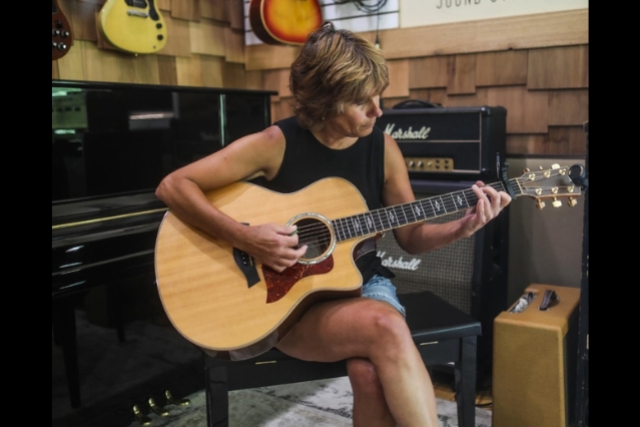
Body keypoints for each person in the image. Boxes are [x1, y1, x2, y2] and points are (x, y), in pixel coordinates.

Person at [155, 21, 511, 427]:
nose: (378, 111)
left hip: (363, 285)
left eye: (378, 95)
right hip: (285, 303)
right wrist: (247, 238)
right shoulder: (275, 143)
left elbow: (411, 238)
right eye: (361, 102)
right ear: (324, 101)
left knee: (369, 374)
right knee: (385, 327)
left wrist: (462, 228)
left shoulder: (383, 148)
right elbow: (173, 186)